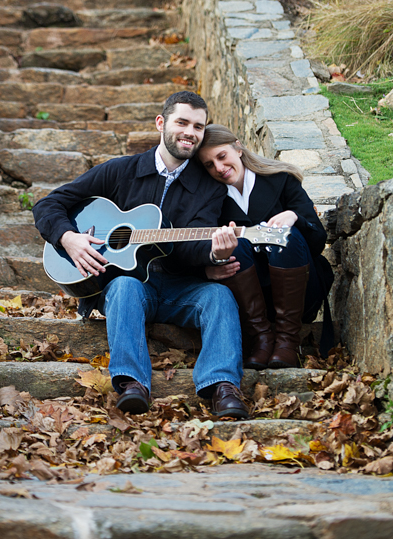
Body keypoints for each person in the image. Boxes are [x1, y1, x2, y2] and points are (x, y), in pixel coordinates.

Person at [33, 91, 249, 418]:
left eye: (199, 126)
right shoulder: (121, 171)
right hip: (132, 287)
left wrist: (216, 253)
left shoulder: (209, 188)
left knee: (218, 296)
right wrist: (68, 239)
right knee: (123, 287)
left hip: (180, 287)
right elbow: (49, 204)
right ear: (161, 123)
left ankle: (222, 386)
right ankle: (133, 384)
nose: (191, 132)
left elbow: (192, 247)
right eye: (182, 122)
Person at [198, 124, 334, 370]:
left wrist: (294, 216)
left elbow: (317, 241)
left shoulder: (280, 180)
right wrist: (217, 256)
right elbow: (200, 250)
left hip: (300, 291)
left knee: (285, 236)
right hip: (251, 299)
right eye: (209, 164)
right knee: (232, 243)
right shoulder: (210, 199)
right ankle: (260, 338)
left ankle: (287, 342)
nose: (219, 168)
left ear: (238, 148)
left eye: (221, 156)